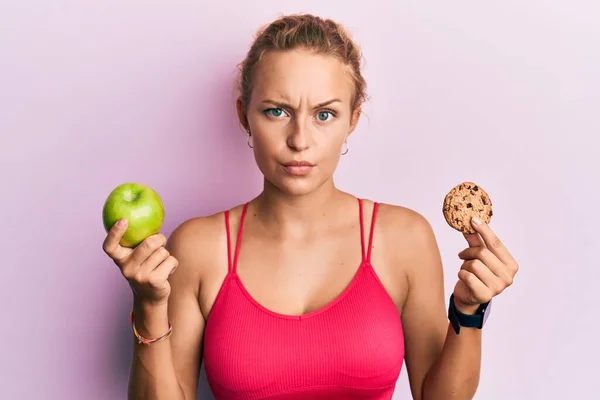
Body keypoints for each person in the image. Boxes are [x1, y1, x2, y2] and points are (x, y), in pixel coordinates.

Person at [102, 13, 519, 400]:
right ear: (244, 117)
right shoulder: (198, 246)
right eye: (276, 111)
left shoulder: (404, 238)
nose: (299, 139)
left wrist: (468, 310)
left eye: (324, 114)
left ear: (352, 120)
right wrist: (150, 305)